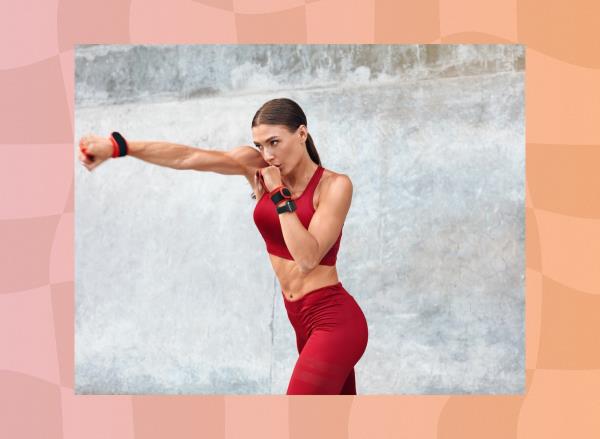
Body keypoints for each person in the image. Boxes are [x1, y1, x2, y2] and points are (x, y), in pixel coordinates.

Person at [78, 97, 368, 395]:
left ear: (302, 134)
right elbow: (187, 157)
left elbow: (307, 258)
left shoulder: (334, 186)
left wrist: (279, 195)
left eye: (274, 142)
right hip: (299, 320)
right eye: (259, 145)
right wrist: (119, 148)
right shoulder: (257, 167)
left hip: (334, 322)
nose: (267, 155)